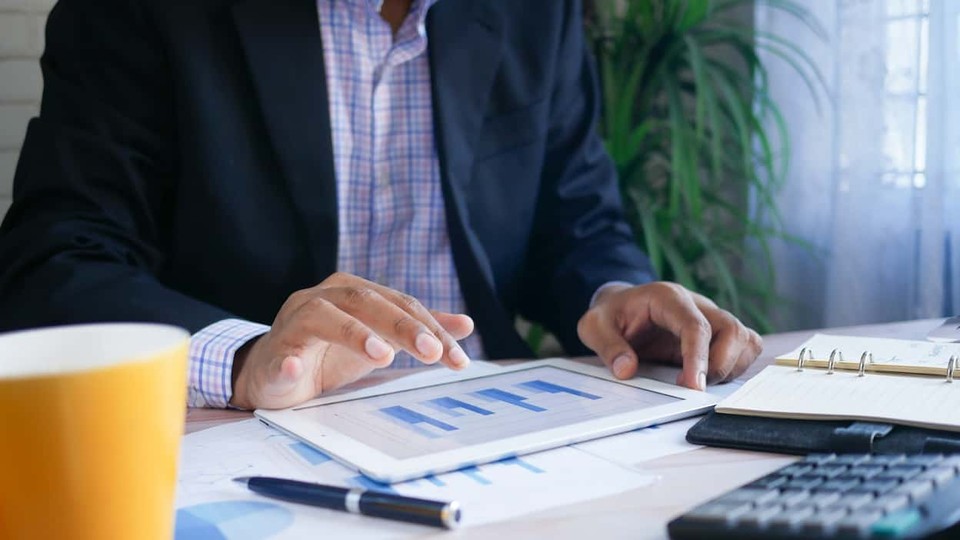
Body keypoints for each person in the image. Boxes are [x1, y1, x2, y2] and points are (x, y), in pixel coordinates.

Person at [0, 0, 761, 410]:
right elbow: (53, 263)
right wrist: (244, 357)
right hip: (250, 435)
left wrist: (617, 294)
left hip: (490, 424)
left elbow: (575, 219)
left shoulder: (536, 11)